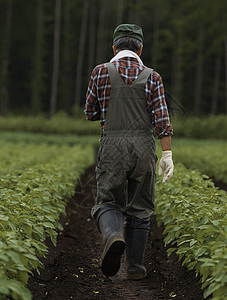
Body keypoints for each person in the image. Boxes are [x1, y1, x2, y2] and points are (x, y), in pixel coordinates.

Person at [84, 24, 174, 280]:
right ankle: (135, 267)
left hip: (112, 146)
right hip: (144, 149)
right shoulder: (152, 76)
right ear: (140, 48)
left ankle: (113, 235)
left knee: (107, 201)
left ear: (114, 47)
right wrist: (167, 154)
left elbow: (89, 113)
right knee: (141, 208)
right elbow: (162, 120)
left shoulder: (101, 72)